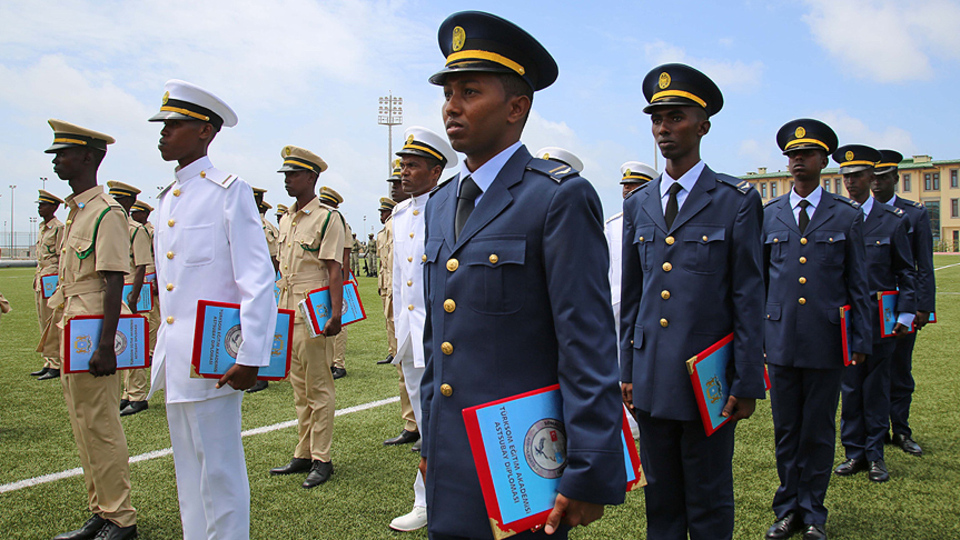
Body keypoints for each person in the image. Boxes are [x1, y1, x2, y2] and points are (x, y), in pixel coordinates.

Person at [420, 11, 626, 539]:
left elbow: (587, 344)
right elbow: (436, 339)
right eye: (448, 92)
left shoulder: (556, 197)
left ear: (517, 107)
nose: (451, 105)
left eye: (470, 91)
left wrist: (588, 468)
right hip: (452, 455)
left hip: (523, 462)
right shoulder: (439, 204)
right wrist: (429, 444)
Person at [620, 63, 766, 540]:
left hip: (709, 380)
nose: (664, 128)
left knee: (707, 497)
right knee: (660, 500)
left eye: (676, 117)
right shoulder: (637, 204)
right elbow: (633, 296)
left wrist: (746, 379)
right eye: (657, 118)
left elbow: (748, 295)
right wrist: (626, 369)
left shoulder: (735, 200)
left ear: (702, 125)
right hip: (652, 376)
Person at [148, 79, 277, 540]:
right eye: (162, 125)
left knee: (219, 472)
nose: (163, 133)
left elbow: (257, 279)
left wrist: (251, 356)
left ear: (205, 131)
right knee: (188, 473)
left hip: (217, 359)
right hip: (179, 357)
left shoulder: (228, 191)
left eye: (174, 124)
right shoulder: (165, 202)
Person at [761, 120, 873, 540]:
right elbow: (758, 285)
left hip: (827, 342)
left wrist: (860, 339)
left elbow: (858, 283)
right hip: (781, 341)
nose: (797, 161)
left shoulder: (844, 215)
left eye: (806, 154)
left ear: (824, 161)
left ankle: (813, 514)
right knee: (787, 430)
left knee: (820, 431)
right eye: (792, 155)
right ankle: (787, 508)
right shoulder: (769, 214)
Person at [45, 119, 137, 540]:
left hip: (94, 331)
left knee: (101, 424)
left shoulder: (107, 213)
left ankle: (121, 517)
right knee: (84, 425)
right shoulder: (77, 212)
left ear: (89, 156)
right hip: (73, 326)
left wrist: (107, 345)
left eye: (63, 153)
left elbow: (114, 279)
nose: (57, 160)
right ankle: (100, 509)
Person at [389, 126, 458, 532]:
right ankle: (428, 499)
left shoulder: (450, 205)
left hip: (444, 333)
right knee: (425, 422)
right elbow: (401, 282)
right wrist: (400, 333)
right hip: (412, 336)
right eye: (403, 165)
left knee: (446, 420)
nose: (404, 173)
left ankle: (435, 497)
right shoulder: (399, 214)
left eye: (413, 166)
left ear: (435, 171)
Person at [833, 144, 915, 484]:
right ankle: (854, 453)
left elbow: (906, 272)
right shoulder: (836, 216)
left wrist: (907, 314)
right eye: (845, 177)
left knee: (878, 387)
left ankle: (876, 454)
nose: (851, 182)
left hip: (881, 320)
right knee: (850, 389)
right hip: (848, 320)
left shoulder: (892, 221)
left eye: (857, 176)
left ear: (871, 177)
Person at [268, 145, 345, 489]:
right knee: (298, 387)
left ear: (312, 177)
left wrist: (336, 313)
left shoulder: (328, 217)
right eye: (285, 175)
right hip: (287, 307)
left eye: (294, 174)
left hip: (313, 310)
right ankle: (303, 451)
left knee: (319, 387)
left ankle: (322, 458)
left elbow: (334, 269)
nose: (288, 180)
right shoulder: (286, 218)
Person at [871, 149, 935, 457]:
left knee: (900, 370)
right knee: (873, 371)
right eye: (875, 178)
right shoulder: (859, 213)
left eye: (884, 178)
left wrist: (922, 307)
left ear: (896, 178)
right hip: (872, 309)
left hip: (902, 306)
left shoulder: (914, 214)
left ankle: (902, 430)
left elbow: (924, 264)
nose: (877, 184)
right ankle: (878, 429)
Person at [605, 160, 655, 440]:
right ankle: (626, 422)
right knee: (618, 364)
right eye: (625, 187)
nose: (627, 192)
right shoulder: (612, 225)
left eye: (634, 187)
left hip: (647, 305)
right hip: (616, 306)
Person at [107, 181, 154, 417]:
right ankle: (126, 393)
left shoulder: (137, 230)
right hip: (113, 291)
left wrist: (134, 296)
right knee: (120, 343)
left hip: (132, 291)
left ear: (128, 202)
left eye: (119, 199)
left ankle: (137, 395)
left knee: (135, 343)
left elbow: (142, 265)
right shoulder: (109, 225)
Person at [248, 190, 280, 395]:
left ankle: (262, 375)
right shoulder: (248, 222)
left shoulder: (262, 226)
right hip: (249, 284)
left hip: (261, 284)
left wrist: (267, 283)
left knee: (261, 329)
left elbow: (274, 257)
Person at [318, 186, 351, 380]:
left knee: (340, 322)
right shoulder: (321, 218)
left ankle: (338, 363)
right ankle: (329, 362)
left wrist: (344, 283)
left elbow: (344, 257)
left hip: (337, 279)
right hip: (323, 281)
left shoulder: (338, 220)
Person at [32, 189, 65, 380]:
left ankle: (57, 363)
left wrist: (60, 282)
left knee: (52, 321)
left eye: (43, 205)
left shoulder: (58, 228)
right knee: (42, 319)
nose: (40, 208)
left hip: (52, 279)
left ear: (54, 207)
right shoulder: (44, 228)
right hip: (42, 278)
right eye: (39, 205)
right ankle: (49, 360)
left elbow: (61, 256)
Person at [129, 200, 161, 391]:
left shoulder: (149, 231)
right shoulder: (131, 229)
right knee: (143, 318)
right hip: (134, 278)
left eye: (137, 213)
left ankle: (151, 350)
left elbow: (158, 256)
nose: (133, 216)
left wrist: (157, 279)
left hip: (148, 276)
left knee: (152, 316)